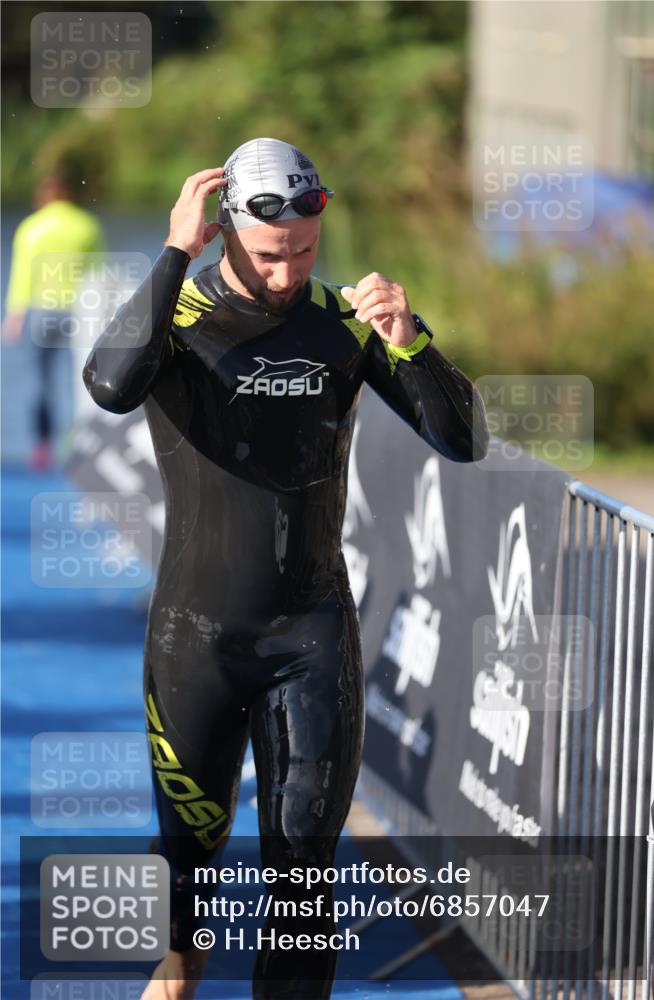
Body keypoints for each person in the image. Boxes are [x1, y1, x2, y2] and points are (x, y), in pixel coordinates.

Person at [82, 137, 489, 1000]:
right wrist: (170, 253)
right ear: (225, 229)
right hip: (197, 635)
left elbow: (462, 442)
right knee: (188, 861)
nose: (287, 271)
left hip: (310, 634)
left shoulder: (343, 323)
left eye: (304, 251)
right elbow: (111, 385)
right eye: (270, 254)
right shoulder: (179, 320)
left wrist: (410, 342)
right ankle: (180, 959)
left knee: (303, 877)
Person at [3, 174, 105, 469]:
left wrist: (13, 315)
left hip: (42, 313)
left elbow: (23, 274)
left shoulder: (31, 228)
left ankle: (42, 446)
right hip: (79, 311)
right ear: (67, 195)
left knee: (40, 380)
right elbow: (99, 271)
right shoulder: (87, 225)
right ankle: (81, 440)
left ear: (43, 197)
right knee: (81, 378)